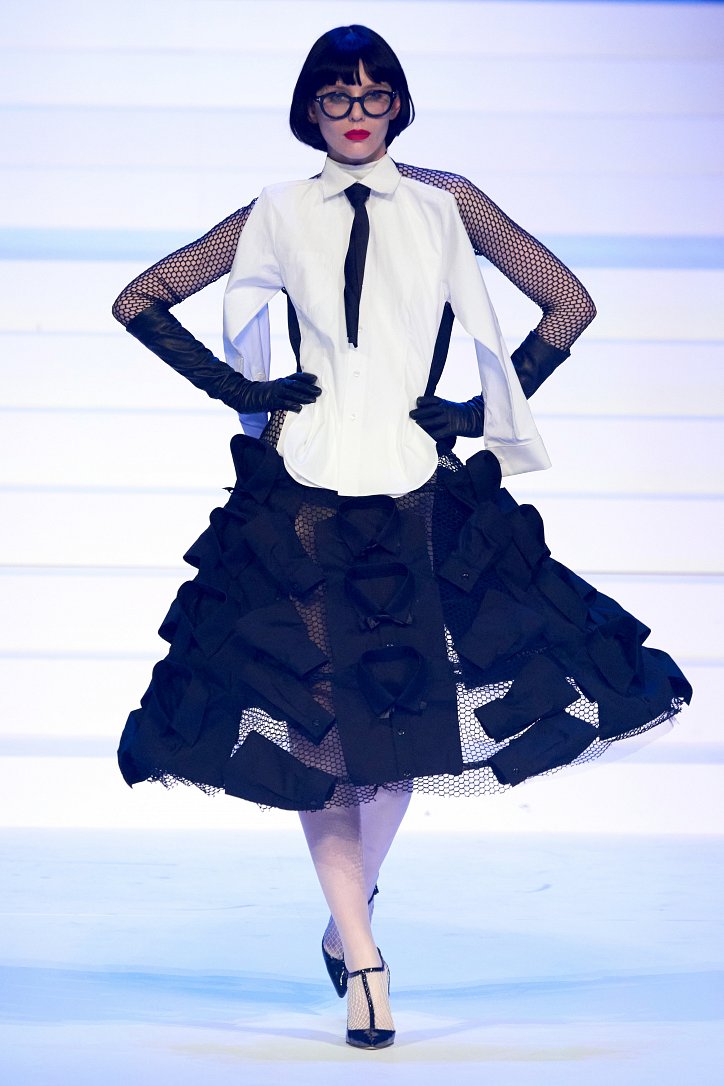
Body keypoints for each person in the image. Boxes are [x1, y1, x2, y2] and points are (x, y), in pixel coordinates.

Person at [113, 26, 692, 1050]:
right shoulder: (275, 210)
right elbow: (139, 298)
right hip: (302, 497)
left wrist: (477, 411)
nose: (356, 112)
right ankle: (364, 958)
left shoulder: (447, 202)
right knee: (321, 723)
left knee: (399, 724)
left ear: (399, 104)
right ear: (309, 108)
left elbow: (568, 302)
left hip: (418, 492)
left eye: (374, 94)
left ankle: (351, 914)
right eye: (337, 96)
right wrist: (242, 389)